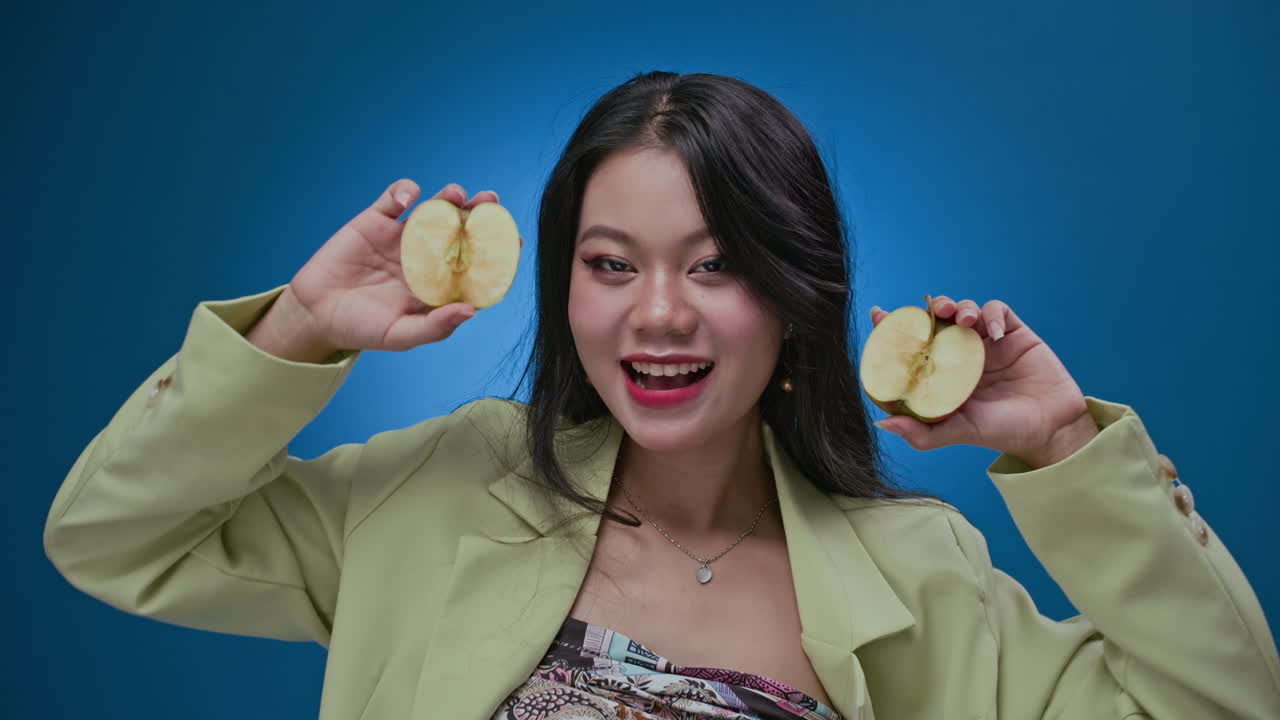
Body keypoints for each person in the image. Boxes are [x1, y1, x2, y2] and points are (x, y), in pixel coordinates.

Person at [45, 71, 1278, 719]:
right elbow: (113, 535)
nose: (658, 314)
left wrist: (1061, 445)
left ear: (793, 296)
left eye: (715, 264)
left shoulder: (919, 575)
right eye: (609, 264)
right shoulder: (442, 488)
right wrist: (301, 329)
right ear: (562, 291)